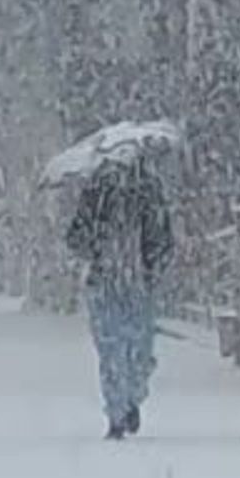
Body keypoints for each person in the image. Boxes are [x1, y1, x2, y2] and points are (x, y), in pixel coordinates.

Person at [66, 154, 174, 440]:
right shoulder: (96, 191)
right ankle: (116, 413)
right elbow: (76, 236)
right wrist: (93, 243)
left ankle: (131, 398)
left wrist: (154, 263)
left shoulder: (149, 190)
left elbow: (164, 237)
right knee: (112, 349)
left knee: (138, 351)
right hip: (105, 284)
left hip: (138, 283)